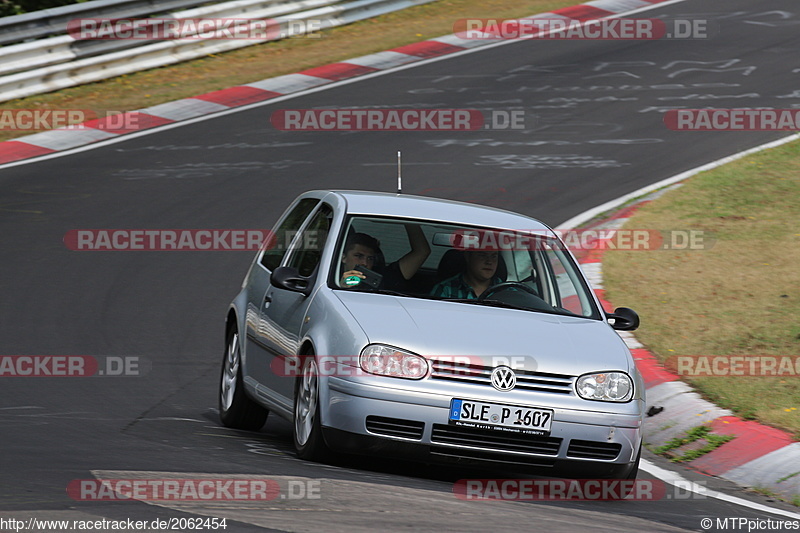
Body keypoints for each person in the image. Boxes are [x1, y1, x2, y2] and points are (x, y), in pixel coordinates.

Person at [339, 224, 430, 289]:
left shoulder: (383, 278)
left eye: (370, 258)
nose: (365, 263)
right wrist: (341, 286)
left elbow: (422, 252)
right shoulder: (328, 275)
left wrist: (409, 221)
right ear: (343, 257)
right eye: (358, 256)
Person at [430, 250, 503, 299]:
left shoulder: (509, 291)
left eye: (494, 256)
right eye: (482, 255)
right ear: (467, 256)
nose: (489, 262)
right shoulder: (445, 289)